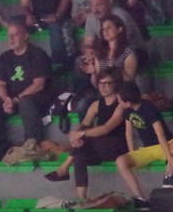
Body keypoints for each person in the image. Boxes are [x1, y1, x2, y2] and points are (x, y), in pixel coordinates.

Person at [45, 70, 129, 200]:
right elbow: (85, 123)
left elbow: (107, 128)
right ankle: (81, 198)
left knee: (83, 142)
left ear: (115, 84)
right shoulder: (96, 104)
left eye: (107, 83)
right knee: (79, 154)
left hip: (117, 145)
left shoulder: (121, 104)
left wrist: (81, 134)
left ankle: (63, 168)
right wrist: (76, 136)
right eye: (100, 83)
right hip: (99, 146)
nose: (103, 87)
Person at [115, 81, 173, 210]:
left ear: (128, 102)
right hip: (147, 150)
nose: (118, 102)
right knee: (120, 161)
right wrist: (131, 152)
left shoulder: (148, 107)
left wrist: (170, 160)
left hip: (164, 145)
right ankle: (140, 198)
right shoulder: (127, 111)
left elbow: (161, 135)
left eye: (119, 100)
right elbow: (128, 132)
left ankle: (170, 175)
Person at [0, 21, 52, 149]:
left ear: (25, 36)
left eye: (15, 35)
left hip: (35, 99)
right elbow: (0, 84)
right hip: (12, 100)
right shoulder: (5, 57)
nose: (11, 39)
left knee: (25, 102)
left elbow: (39, 85)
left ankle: (32, 145)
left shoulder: (37, 54)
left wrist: (16, 99)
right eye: (9, 36)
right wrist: (6, 99)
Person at [92, 15, 139, 83]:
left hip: (121, 87)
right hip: (104, 87)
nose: (105, 31)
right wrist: (93, 73)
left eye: (109, 27)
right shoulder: (100, 50)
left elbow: (130, 79)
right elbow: (97, 81)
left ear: (119, 29)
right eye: (103, 29)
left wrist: (114, 70)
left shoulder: (128, 52)